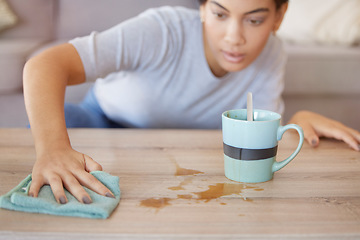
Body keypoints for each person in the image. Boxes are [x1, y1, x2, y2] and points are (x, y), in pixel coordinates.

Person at [23, 0, 360, 204]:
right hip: (104, 119)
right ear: (202, 8)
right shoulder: (161, 29)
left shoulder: (272, 55)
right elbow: (43, 65)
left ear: (279, 17)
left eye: (254, 20)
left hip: (183, 150)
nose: (234, 37)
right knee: (49, 130)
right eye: (220, 14)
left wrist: (296, 119)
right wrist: (52, 148)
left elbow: (254, 132)